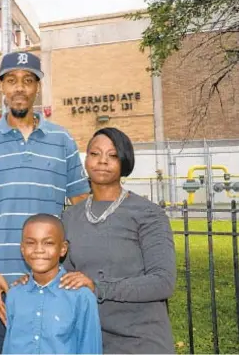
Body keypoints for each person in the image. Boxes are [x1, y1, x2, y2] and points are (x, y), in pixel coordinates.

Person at [0, 51, 90, 354]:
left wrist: (80, 267)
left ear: (37, 87)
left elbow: (82, 208)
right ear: (2, 87)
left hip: (50, 285)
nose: (19, 87)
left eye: (28, 80)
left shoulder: (62, 140)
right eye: (11, 80)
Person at [59, 127, 177, 353]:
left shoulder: (148, 214)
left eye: (112, 155)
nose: (102, 161)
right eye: (95, 154)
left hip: (141, 339)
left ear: (124, 161)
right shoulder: (69, 217)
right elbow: (64, 278)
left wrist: (98, 287)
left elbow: (163, 282)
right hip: (89, 337)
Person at [3, 213, 102, 354]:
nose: (39, 250)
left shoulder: (81, 297)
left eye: (48, 243)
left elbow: (90, 348)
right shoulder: (14, 295)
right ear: (22, 248)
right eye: (31, 243)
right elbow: (9, 346)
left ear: (63, 248)